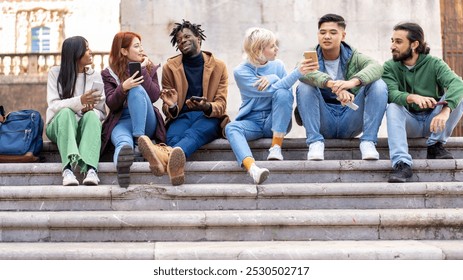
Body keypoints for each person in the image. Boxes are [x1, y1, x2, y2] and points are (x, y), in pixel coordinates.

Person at [225, 27, 317, 184]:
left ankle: (275, 148)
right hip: (252, 122)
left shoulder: (278, 65)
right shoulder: (240, 71)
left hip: (275, 121)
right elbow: (270, 90)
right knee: (231, 128)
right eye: (272, 46)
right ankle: (252, 169)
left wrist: (273, 76)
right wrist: (296, 72)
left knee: (284, 93)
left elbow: (284, 92)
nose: (277, 49)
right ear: (259, 49)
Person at [295, 14, 388, 161]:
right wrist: (334, 85)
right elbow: (301, 72)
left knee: (379, 85)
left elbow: (376, 67)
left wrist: (351, 83)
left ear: (343, 35)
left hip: (350, 117)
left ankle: (368, 141)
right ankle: (315, 142)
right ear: (318, 34)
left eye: (333, 33)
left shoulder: (354, 56)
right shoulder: (311, 56)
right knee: (304, 86)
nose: (327, 36)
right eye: (322, 32)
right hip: (323, 119)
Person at [101, 31, 185, 187]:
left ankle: (140, 140)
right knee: (123, 143)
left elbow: (153, 96)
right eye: (136, 46)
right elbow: (112, 104)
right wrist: (122, 87)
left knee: (137, 90)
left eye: (141, 45)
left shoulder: (149, 67)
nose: (141, 49)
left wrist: (143, 70)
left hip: (146, 119)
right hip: (121, 120)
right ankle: (122, 166)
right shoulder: (108, 73)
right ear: (124, 51)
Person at [383, 22, 463, 183]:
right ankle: (402, 163)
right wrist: (412, 97)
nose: (392, 46)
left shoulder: (434, 63)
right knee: (392, 106)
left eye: (398, 42)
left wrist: (445, 111)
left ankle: (435, 146)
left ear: (414, 44)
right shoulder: (389, 67)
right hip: (409, 122)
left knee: (459, 94)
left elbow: (457, 83)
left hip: (433, 122)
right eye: (392, 41)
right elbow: (391, 93)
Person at [160, 20, 229, 161]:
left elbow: (221, 105)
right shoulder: (169, 68)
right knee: (172, 138)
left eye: (187, 37)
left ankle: (164, 157)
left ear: (198, 38)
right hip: (182, 116)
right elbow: (167, 108)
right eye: (179, 40)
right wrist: (172, 105)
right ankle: (176, 170)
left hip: (208, 117)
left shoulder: (219, 66)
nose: (182, 41)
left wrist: (206, 106)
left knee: (192, 134)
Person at [46, 36, 106, 186]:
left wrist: (89, 110)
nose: (90, 52)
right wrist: (80, 101)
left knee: (93, 116)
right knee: (66, 112)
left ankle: (91, 169)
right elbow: (54, 105)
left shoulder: (95, 75)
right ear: (75, 53)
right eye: (86, 49)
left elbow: (102, 112)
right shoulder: (55, 73)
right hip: (58, 126)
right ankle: (67, 170)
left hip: (84, 127)